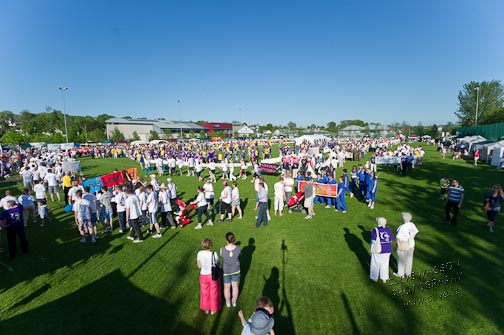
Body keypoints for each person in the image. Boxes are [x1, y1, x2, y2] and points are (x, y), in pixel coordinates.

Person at [196, 237, 221, 315]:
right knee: (214, 292)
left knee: (204, 292)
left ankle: (206, 308)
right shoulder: (214, 254)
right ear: (211, 246)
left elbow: (199, 266)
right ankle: (213, 309)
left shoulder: (199, 253)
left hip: (203, 275)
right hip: (212, 275)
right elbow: (218, 264)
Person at [394, 212, 419, 278]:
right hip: (411, 244)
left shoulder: (402, 227)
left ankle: (400, 273)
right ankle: (408, 273)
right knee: (409, 259)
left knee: (401, 259)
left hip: (403, 244)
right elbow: (416, 232)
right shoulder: (412, 224)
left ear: (403, 219)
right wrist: (411, 237)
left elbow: (398, 237)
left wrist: (397, 243)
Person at [370, 217, 394, 283]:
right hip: (388, 249)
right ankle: (384, 278)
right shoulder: (388, 229)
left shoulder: (375, 230)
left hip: (378, 250)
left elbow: (373, 240)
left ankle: (374, 277)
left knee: (375, 263)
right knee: (385, 264)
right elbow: (391, 240)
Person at [220, 232, 241, 308]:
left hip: (226, 271)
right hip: (235, 270)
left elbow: (222, 255)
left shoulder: (222, 249)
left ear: (226, 240)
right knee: (235, 286)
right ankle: (234, 301)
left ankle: (228, 302)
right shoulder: (238, 248)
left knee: (226, 287)